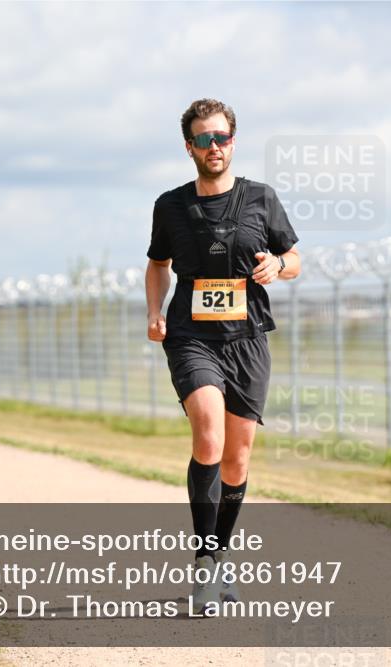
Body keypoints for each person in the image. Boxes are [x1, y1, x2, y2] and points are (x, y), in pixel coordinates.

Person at [144, 98, 300, 614]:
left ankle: (218, 554)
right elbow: (157, 264)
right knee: (208, 431)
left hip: (249, 339)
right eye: (205, 139)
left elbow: (295, 258)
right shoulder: (170, 206)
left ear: (233, 141)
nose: (215, 147)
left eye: (223, 137)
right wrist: (155, 311)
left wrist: (278, 264)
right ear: (189, 146)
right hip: (191, 336)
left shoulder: (261, 198)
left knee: (237, 455)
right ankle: (205, 563)